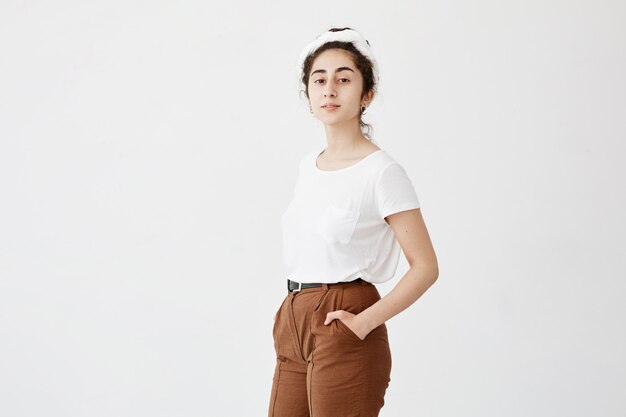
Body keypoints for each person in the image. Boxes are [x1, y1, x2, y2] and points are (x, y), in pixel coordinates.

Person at [268, 27, 439, 417]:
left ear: (367, 95)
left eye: (344, 79)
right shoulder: (307, 167)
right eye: (320, 79)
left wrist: (362, 324)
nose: (330, 89)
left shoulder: (382, 172)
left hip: (345, 317)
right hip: (293, 320)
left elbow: (426, 267)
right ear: (308, 94)